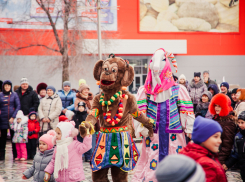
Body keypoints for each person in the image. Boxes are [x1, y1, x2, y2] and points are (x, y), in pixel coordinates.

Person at [132, 49, 194, 182]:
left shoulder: (178, 90)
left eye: (160, 71)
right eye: (155, 71)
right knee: (151, 160)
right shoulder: (145, 91)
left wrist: (190, 130)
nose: (157, 74)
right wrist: (141, 127)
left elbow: (186, 111)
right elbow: (139, 112)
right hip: (152, 134)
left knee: (175, 162)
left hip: (174, 135)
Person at [179, 116, 227, 182]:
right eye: (215, 137)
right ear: (203, 137)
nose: (220, 141)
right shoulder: (206, 165)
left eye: (220, 137)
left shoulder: (207, 155)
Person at [209, 93, 236, 164]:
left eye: (219, 106)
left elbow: (227, 144)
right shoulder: (217, 118)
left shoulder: (228, 122)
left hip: (219, 158)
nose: (216, 108)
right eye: (215, 105)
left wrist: (219, 160)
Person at [0, 80, 20, 160]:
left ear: (11, 87)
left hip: (12, 120)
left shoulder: (14, 95)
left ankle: (15, 155)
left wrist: (13, 117)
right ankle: (1, 156)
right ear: (3, 86)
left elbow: (18, 105)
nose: (7, 87)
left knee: (13, 138)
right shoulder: (0, 95)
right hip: (2, 119)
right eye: (6, 85)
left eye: (9, 85)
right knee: (2, 138)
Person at [224, 111, 245, 181]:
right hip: (243, 169)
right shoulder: (238, 136)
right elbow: (235, 153)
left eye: (242, 122)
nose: (240, 125)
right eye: (239, 122)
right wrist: (227, 164)